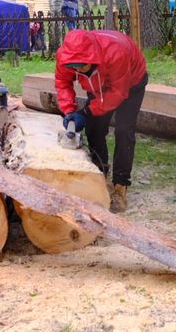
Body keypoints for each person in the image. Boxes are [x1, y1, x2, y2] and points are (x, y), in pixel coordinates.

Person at [55, 29, 148, 213]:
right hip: (98, 83)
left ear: (91, 57)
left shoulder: (116, 53)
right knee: (94, 129)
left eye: (81, 65)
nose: (77, 70)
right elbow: (62, 82)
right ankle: (100, 174)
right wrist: (69, 111)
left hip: (130, 82)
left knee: (123, 130)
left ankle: (121, 184)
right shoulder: (65, 57)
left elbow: (117, 93)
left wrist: (87, 111)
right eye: (74, 66)